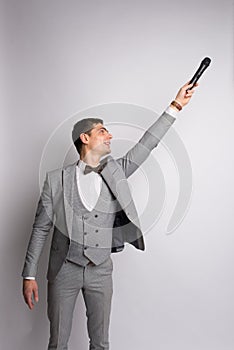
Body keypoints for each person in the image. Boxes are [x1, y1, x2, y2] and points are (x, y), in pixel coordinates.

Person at [22, 81, 198, 350]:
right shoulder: (55, 180)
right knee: (57, 343)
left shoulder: (116, 171)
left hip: (101, 271)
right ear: (85, 138)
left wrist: (175, 106)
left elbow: (147, 144)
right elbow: (40, 229)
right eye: (102, 132)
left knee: (101, 343)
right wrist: (29, 275)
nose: (110, 136)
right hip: (63, 271)